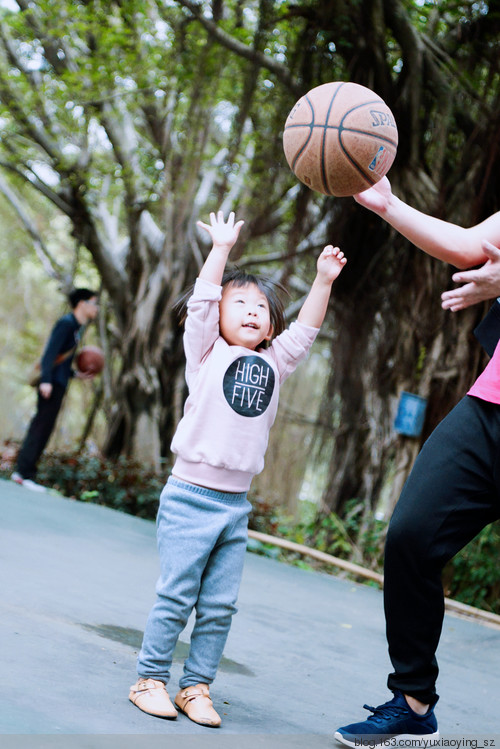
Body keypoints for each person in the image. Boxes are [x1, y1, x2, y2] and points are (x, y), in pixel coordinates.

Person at [128, 210, 346, 727]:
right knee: (177, 594)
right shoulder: (205, 352)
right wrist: (221, 249)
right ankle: (149, 678)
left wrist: (321, 280)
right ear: (219, 315)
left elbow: (308, 329)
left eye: (261, 307)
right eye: (239, 303)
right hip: (190, 495)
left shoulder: (276, 362)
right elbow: (203, 301)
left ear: (272, 323)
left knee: (221, 605)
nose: (251, 311)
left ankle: (195, 687)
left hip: (233, 506)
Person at [335, 177, 500, 747]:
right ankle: (412, 702)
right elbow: (469, 245)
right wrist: (388, 204)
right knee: (411, 536)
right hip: (490, 409)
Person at [11, 287, 99, 492]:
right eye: (94, 303)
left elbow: (62, 362)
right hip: (51, 384)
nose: (97, 309)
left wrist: (74, 375)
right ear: (82, 304)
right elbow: (49, 354)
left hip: (58, 383)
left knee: (45, 426)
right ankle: (23, 473)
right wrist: (46, 381)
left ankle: (25, 473)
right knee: (40, 425)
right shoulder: (66, 324)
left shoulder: (76, 328)